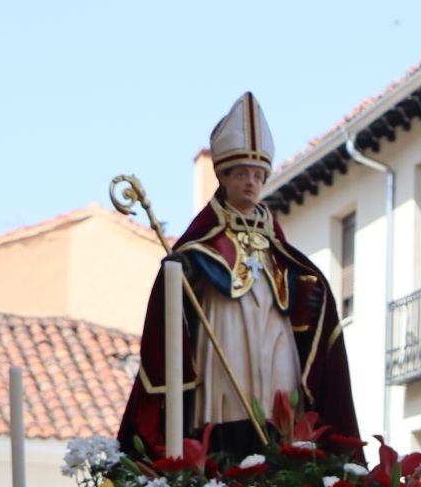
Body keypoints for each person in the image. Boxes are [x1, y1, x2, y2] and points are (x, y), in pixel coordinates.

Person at [118, 92, 356, 459]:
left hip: (273, 332)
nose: (251, 182)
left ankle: (277, 459)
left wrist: (309, 297)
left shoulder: (274, 238)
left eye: (258, 175)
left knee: (279, 401)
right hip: (224, 325)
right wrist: (186, 270)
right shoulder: (206, 237)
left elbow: (293, 287)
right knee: (227, 399)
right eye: (242, 174)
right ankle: (224, 457)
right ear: (224, 178)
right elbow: (183, 280)